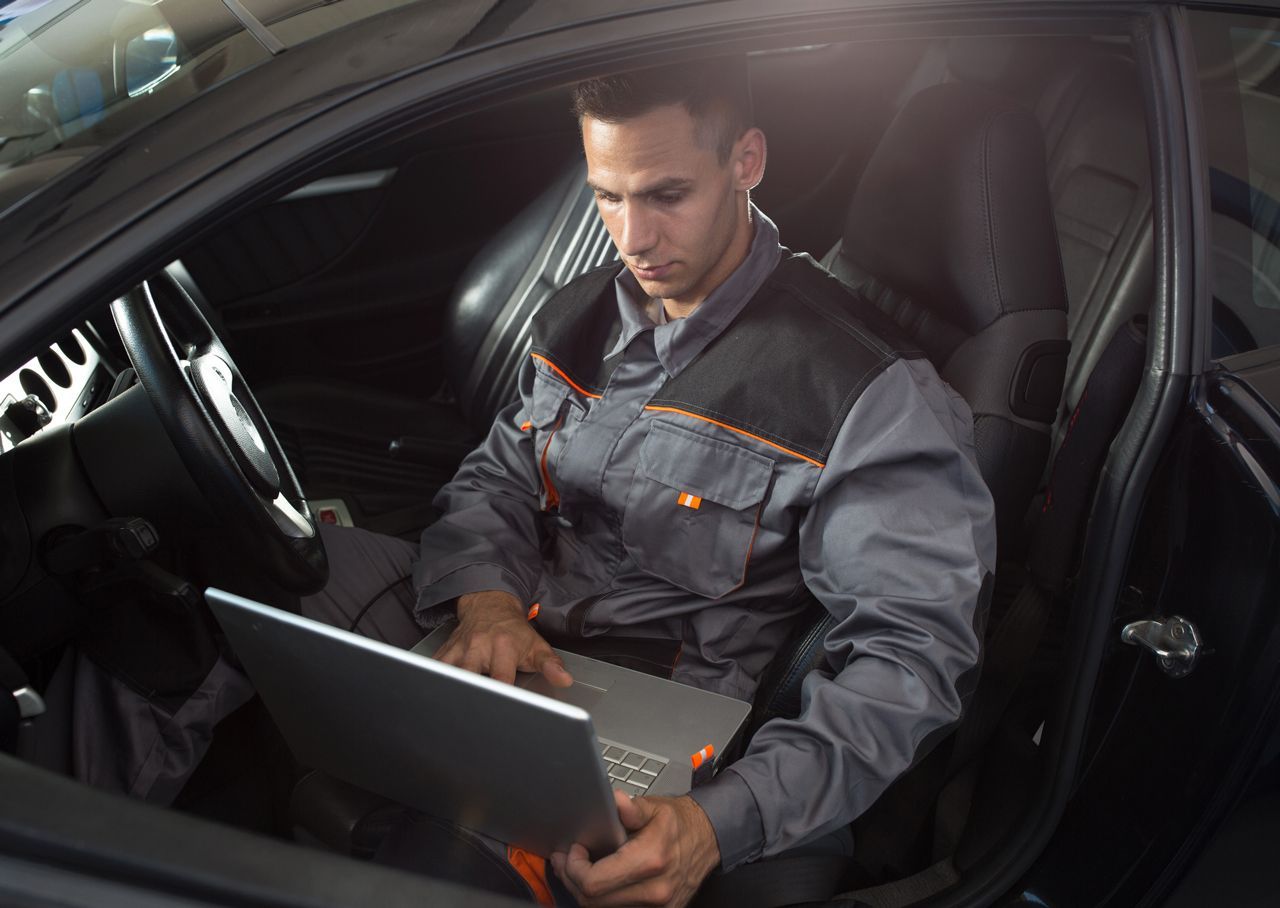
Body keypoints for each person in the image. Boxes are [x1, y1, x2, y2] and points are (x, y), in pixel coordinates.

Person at [302, 57, 995, 907]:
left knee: (439, 866)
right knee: (230, 569)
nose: (632, 239)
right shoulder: (588, 309)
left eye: (667, 195)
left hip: (667, 704)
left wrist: (719, 821)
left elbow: (912, 662)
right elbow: (497, 478)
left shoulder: (866, 394)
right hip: (519, 643)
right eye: (607, 196)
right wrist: (483, 604)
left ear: (746, 162)